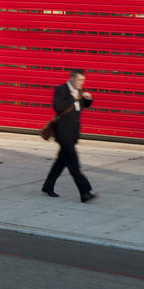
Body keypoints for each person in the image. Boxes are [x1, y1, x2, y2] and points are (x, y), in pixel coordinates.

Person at [41, 68, 97, 202]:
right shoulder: (61, 90)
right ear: (71, 78)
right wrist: (73, 97)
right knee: (74, 165)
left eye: (83, 80)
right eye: (79, 80)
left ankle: (48, 186)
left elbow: (81, 107)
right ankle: (85, 192)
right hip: (63, 133)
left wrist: (88, 100)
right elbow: (58, 107)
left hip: (73, 133)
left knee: (61, 162)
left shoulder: (80, 91)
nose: (82, 82)